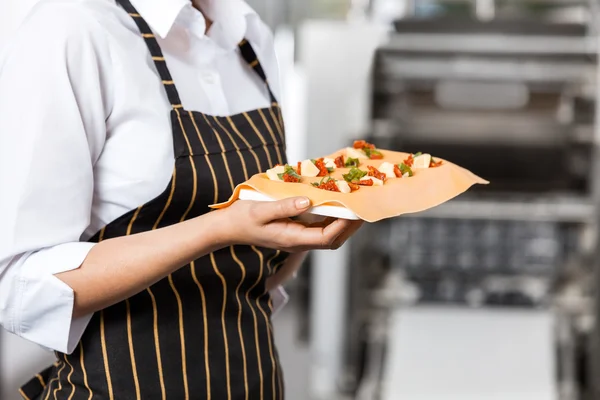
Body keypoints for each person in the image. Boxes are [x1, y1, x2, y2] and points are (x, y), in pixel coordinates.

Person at [0, 0, 363, 398]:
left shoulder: (246, 33)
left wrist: (316, 214)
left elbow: (253, 274)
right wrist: (217, 228)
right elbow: (19, 285)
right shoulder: (73, 28)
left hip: (254, 381)